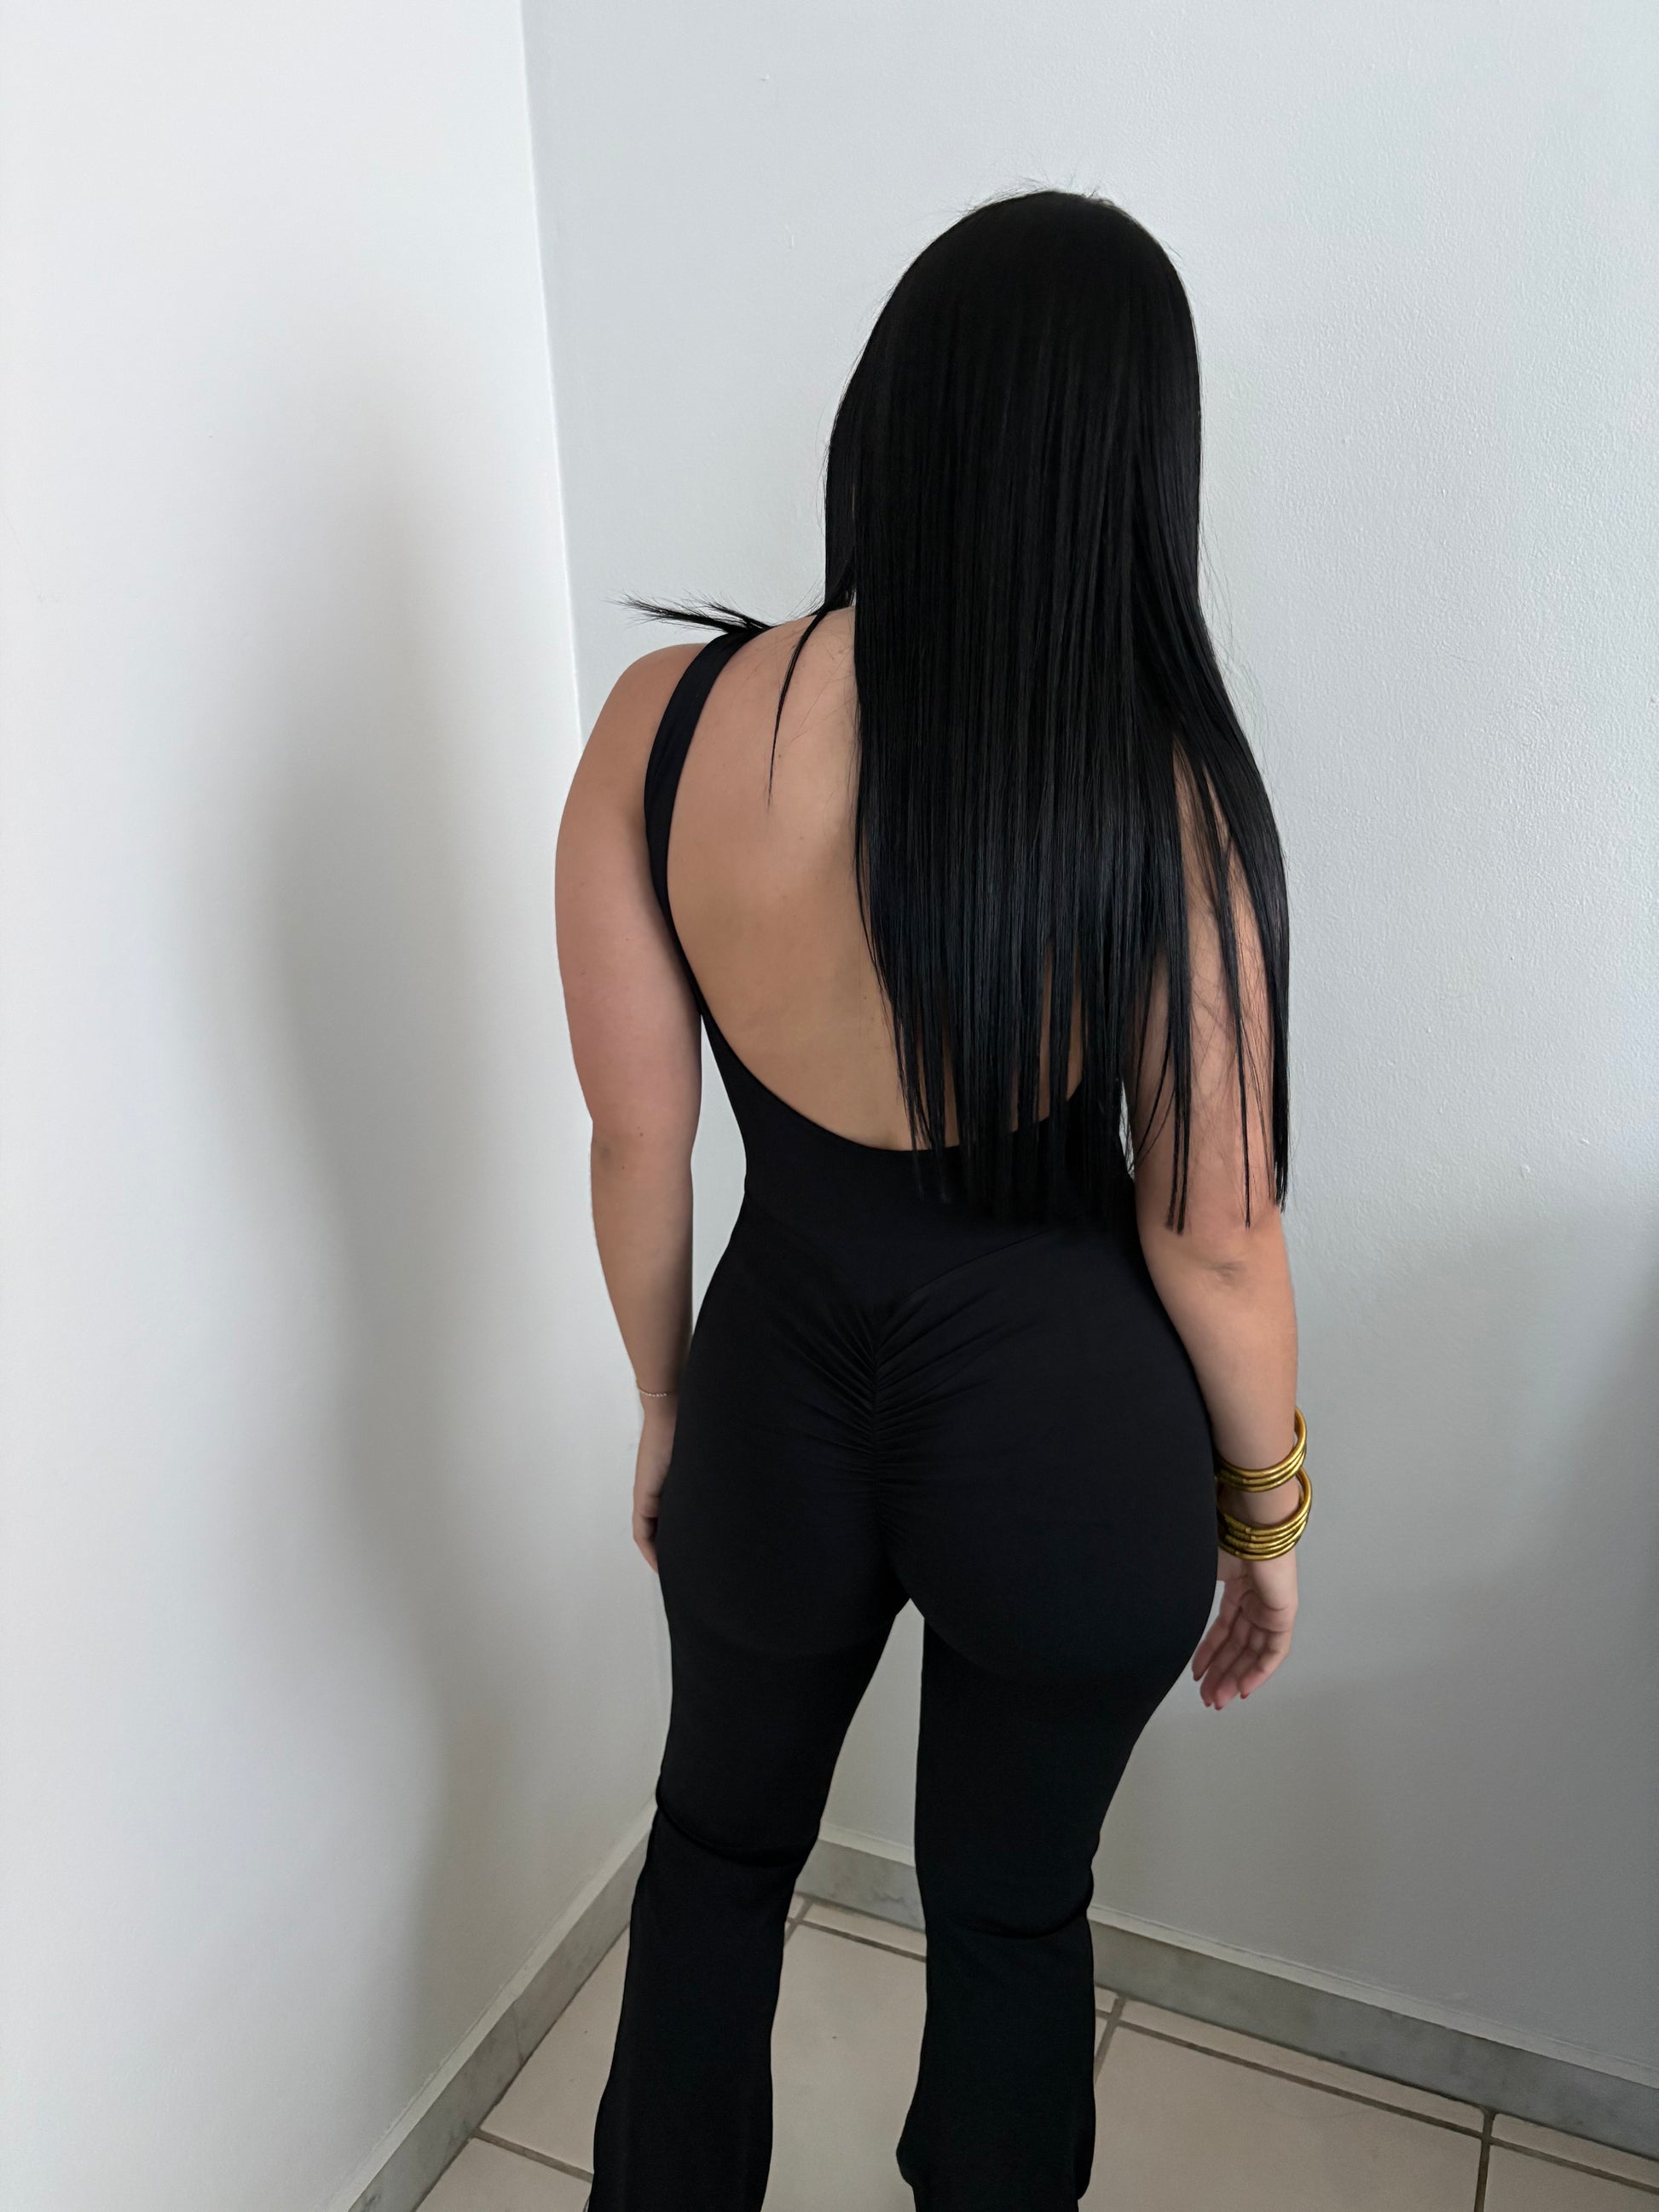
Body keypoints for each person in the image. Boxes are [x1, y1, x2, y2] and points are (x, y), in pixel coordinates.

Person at [554, 187, 1308, 2212]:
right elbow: (1214, 1230)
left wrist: (664, 1400)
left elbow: (637, 1139)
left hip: (775, 1392)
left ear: (892, 412)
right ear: (1133, 465)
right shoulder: (1157, 790)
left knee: (714, 1858)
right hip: (1063, 1439)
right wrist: (1267, 1511)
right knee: (1005, 1914)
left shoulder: (661, 724)